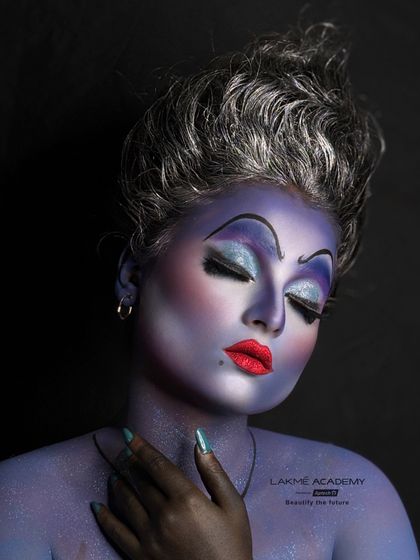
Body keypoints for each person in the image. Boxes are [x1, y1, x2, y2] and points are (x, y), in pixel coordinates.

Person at [0, 21, 418, 560]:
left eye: (305, 301)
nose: (272, 316)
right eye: (235, 267)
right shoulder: (17, 505)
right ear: (134, 273)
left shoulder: (353, 503)